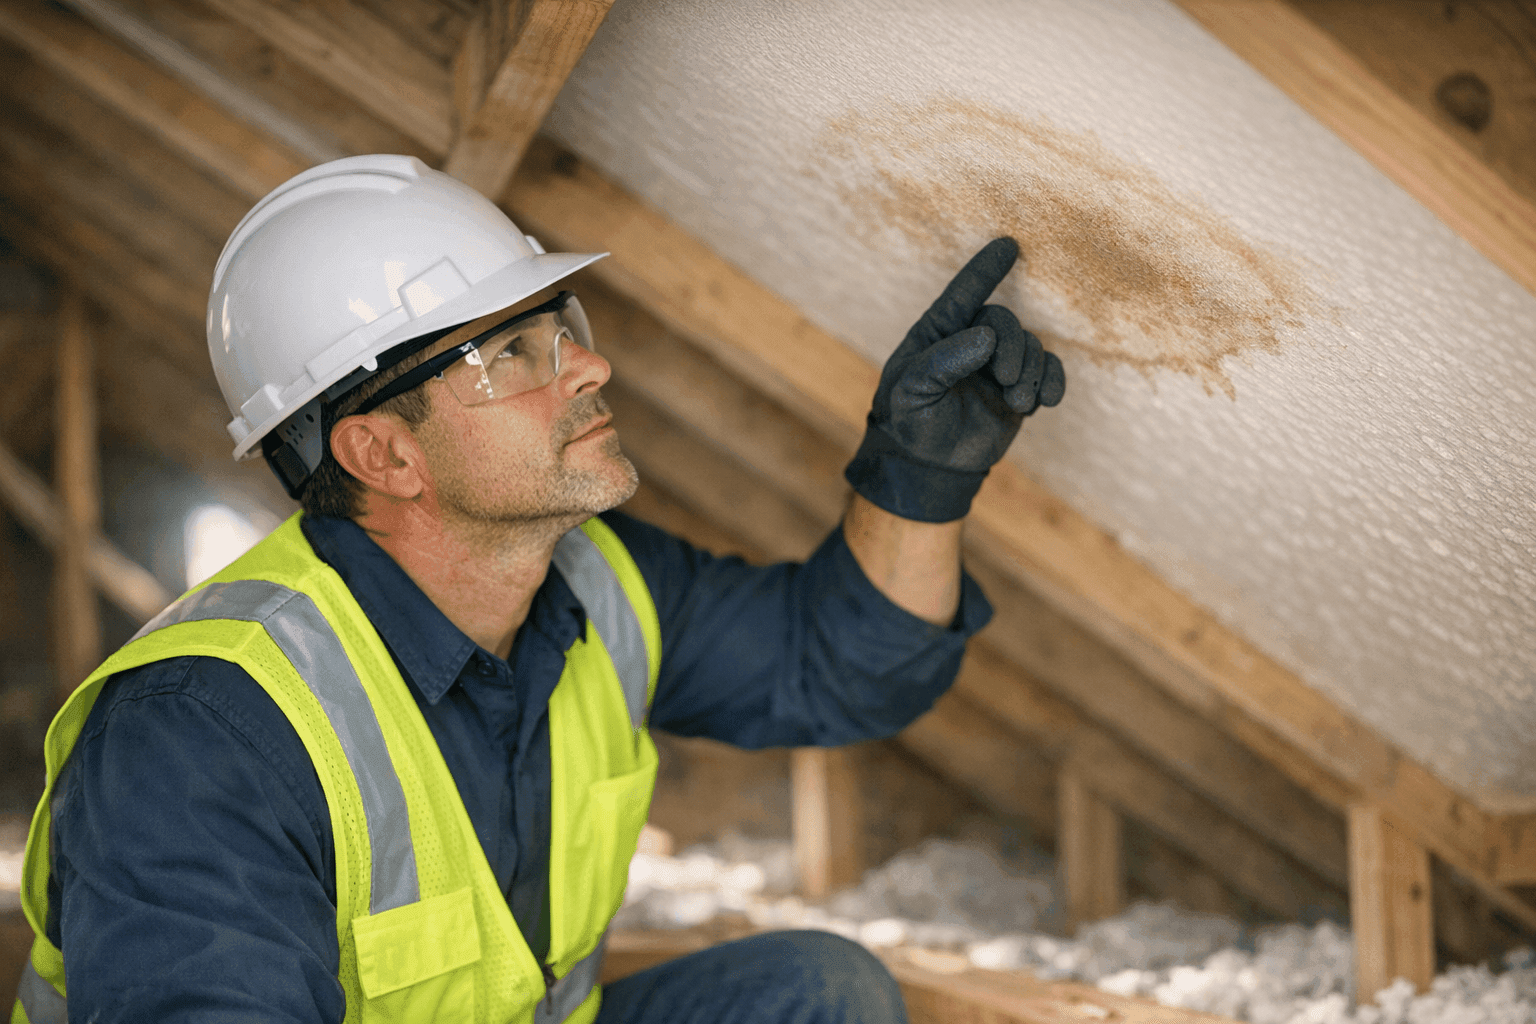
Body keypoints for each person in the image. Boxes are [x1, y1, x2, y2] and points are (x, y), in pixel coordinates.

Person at [11, 156, 1063, 1024]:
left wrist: (920, 478)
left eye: (563, 323)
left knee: (815, 994)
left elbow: (839, 666)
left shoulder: (601, 582)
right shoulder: (199, 734)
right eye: (510, 354)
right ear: (382, 452)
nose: (586, 368)